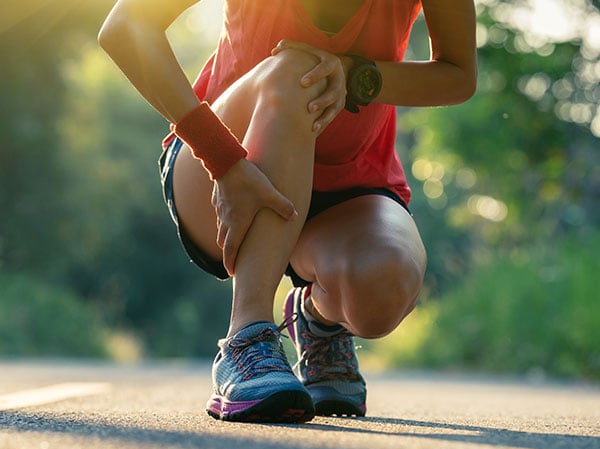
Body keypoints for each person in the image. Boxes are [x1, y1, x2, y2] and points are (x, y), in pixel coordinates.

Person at [98, 0, 477, 423]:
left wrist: (355, 74)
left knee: (384, 285)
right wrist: (221, 157)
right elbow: (125, 26)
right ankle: (246, 339)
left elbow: (458, 74)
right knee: (298, 70)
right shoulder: (222, 156)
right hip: (222, 163)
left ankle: (317, 322)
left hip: (350, 183)